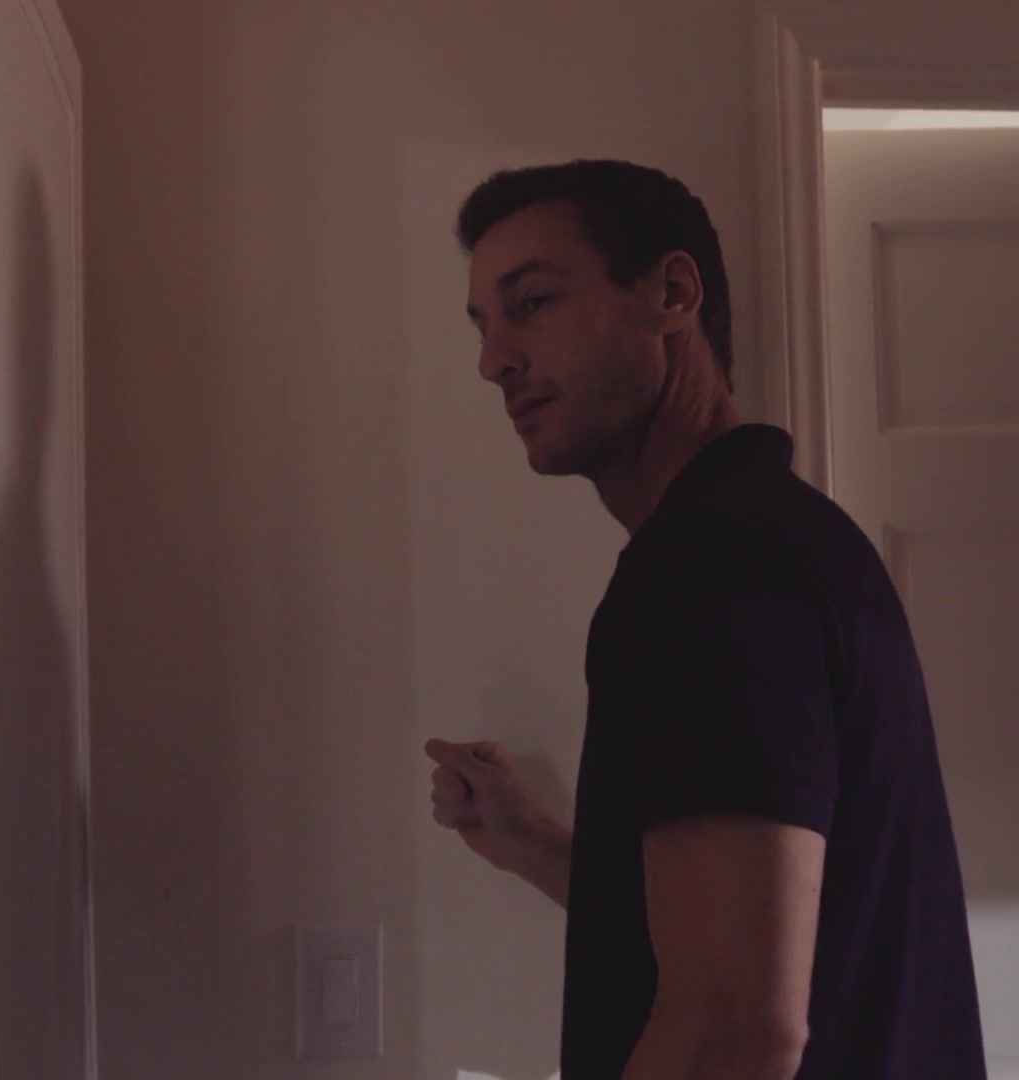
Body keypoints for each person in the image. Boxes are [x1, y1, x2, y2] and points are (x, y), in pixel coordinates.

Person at [422, 159, 987, 1078]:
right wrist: (534, 848)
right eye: (484, 325)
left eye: (532, 304)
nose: (495, 361)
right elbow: (767, 934)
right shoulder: (776, 535)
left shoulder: (709, 565)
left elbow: (735, 1030)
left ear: (672, 294)